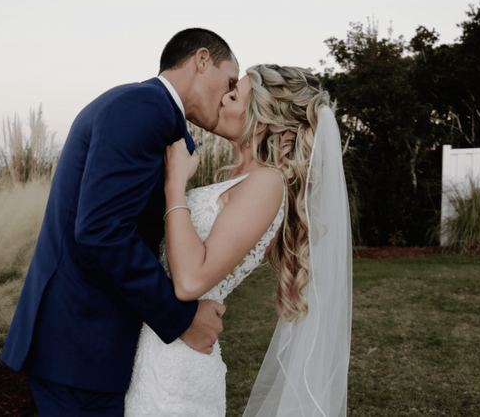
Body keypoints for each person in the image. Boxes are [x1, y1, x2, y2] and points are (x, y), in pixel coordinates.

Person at [0, 28, 239, 417]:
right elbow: (101, 229)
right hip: (81, 343)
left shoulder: (151, 111)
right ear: (201, 60)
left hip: (89, 343)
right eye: (230, 82)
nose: (230, 95)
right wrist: (181, 319)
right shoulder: (143, 107)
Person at [125, 64, 353, 416]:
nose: (222, 98)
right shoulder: (240, 179)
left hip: (174, 368)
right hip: (158, 343)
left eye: (233, 95)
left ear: (260, 121)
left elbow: (189, 282)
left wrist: (174, 185)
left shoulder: (266, 184)